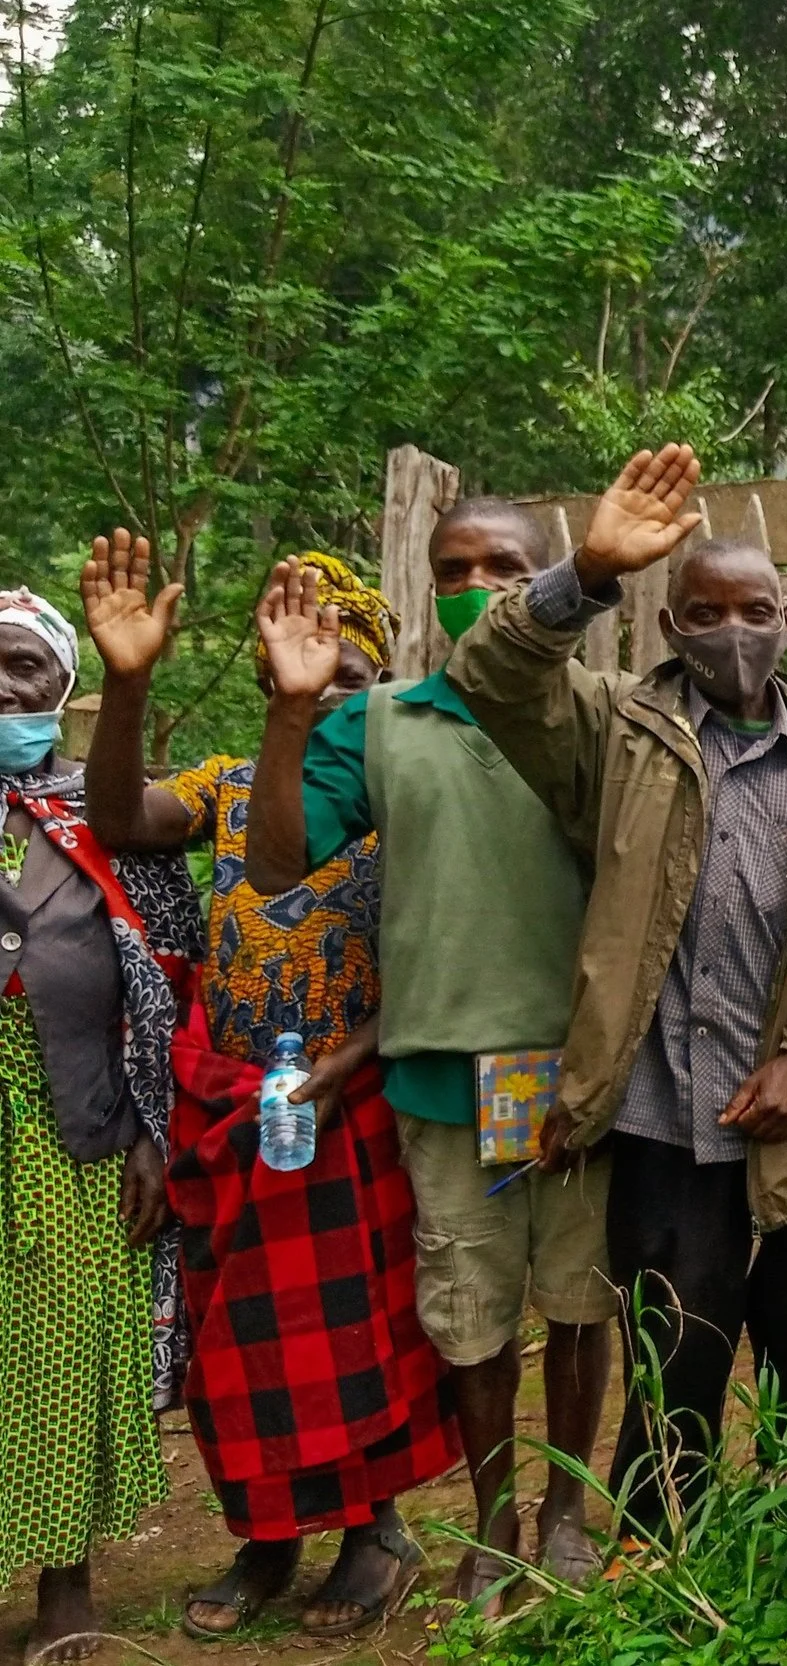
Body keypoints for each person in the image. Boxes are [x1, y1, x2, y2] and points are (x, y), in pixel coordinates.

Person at [446, 446, 787, 1540]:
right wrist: (588, 572)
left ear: (786, 615)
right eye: (704, 611)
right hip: (667, 1128)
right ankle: (663, 1569)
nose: (732, 632)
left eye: (753, 609)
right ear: (670, 626)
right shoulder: (614, 733)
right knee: (675, 1370)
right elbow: (492, 675)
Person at [78, 534, 459, 1639]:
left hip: (347, 1095)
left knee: (354, 1329)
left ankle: (373, 1529)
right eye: (296, 673)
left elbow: (441, 960)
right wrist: (127, 681)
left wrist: (340, 1069)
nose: (318, 692)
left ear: (376, 685)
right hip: (232, 1097)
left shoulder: (408, 801)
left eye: (344, 676)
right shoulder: (235, 786)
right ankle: (266, 1534)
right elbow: (119, 818)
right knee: (235, 1335)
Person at [244, 502, 609, 1613]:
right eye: (454, 567)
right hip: (447, 1074)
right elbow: (275, 867)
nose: (479, 584)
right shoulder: (386, 719)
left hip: (578, 1071)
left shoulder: (603, 710)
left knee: (581, 1303)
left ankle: (566, 1510)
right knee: (473, 1313)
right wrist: (294, 719)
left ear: (546, 579)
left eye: (504, 565)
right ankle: (494, 1524)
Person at [0, 588, 203, 1664]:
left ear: (63, 687)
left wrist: (151, 1132)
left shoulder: (108, 805)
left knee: (69, 1344)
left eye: (25, 669)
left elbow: (168, 979)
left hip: (76, 1116)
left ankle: (65, 1576)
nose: (3, 687)